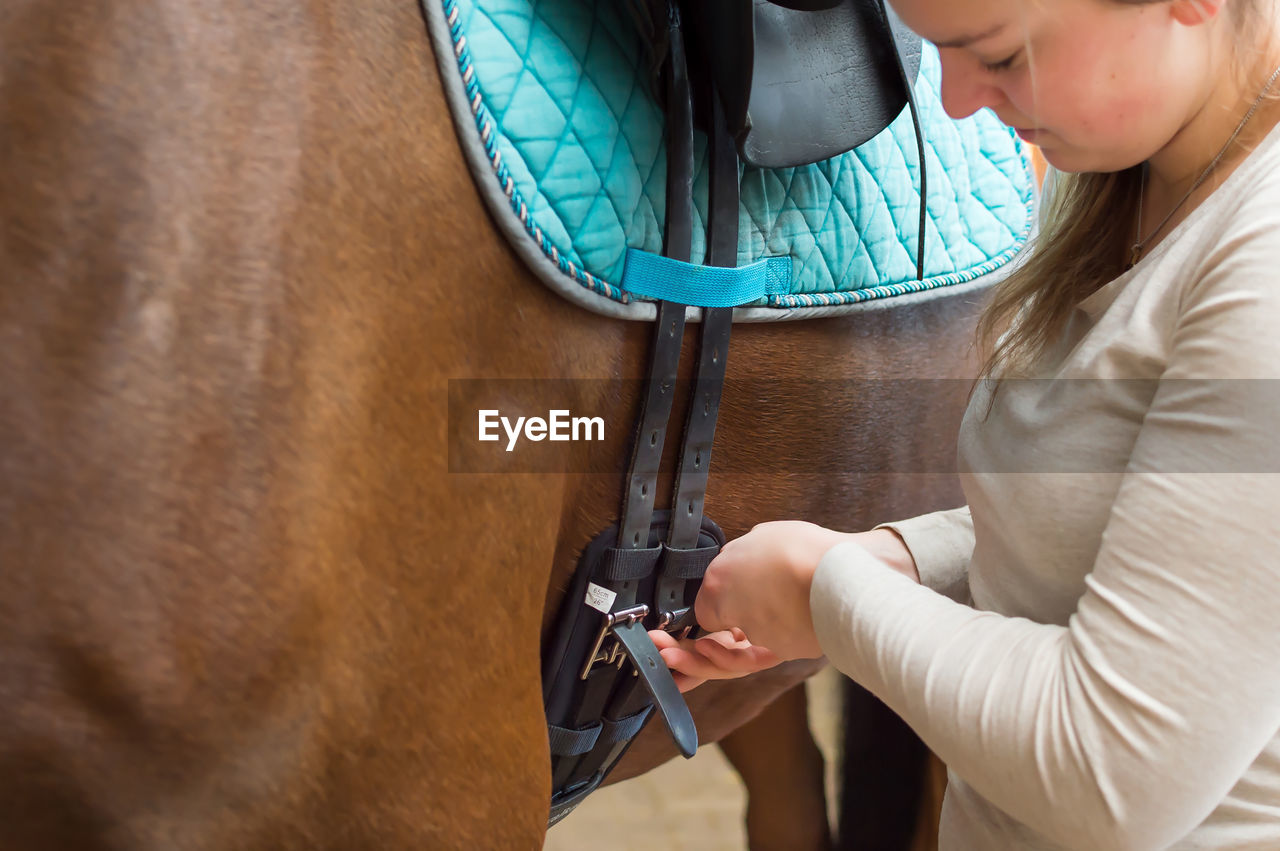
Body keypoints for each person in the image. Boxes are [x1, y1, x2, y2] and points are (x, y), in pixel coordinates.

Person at [650, 0, 1280, 848]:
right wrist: (896, 561)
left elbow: (1111, 777)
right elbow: (1103, 516)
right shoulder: (1132, 171)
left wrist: (830, 591)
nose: (951, 103)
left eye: (999, 55)